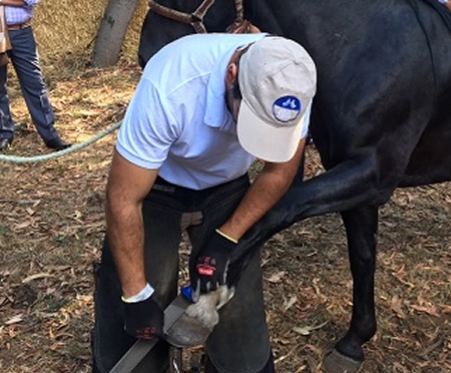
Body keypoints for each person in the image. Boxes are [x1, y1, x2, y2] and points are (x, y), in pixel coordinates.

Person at [92, 33, 317, 373]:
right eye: (252, 120)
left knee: (237, 304)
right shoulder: (171, 83)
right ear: (231, 76)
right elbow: (124, 197)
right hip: (158, 186)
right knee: (136, 300)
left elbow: (279, 172)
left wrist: (227, 238)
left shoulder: (293, 80)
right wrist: (136, 294)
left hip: (228, 185)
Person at [0, 0, 69, 152]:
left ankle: (50, 135)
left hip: (21, 32)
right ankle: (5, 134)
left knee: (34, 82)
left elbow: (31, 1)